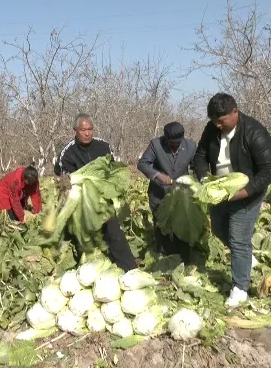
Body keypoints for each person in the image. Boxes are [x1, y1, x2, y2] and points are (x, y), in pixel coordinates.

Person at [192, 93, 271, 308]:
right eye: (213, 120)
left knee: (238, 239)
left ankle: (240, 288)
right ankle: (247, 259)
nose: (217, 125)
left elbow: (270, 170)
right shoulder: (212, 129)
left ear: (235, 112)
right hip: (220, 190)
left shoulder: (254, 132)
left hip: (246, 193)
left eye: (221, 120)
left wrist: (244, 191)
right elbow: (201, 155)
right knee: (219, 230)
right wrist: (204, 178)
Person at [53, 113, 138, 272]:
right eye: (83, 130)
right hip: (80, 202)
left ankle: (129, 269)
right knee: (78, 237)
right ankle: (72, 270)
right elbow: (66, 180)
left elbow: (114, 171)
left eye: (90, 129)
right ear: (75, 130)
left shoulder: (103, 146)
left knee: (114, 233)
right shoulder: (68, 152)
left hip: (102, 199)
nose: (87, 133)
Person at [137, 121, 197, 260]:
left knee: (182, 225)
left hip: (181, 194)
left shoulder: (191, 146)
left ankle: (183, 258)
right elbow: (143, 164)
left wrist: (195, 182)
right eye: (171, 143)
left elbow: (196, 166)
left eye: (177, 143)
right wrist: (158, 175)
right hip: (159, 193)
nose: (174, 146)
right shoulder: (155, 145)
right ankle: (163, 256)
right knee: (161, 226)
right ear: (165, 138)